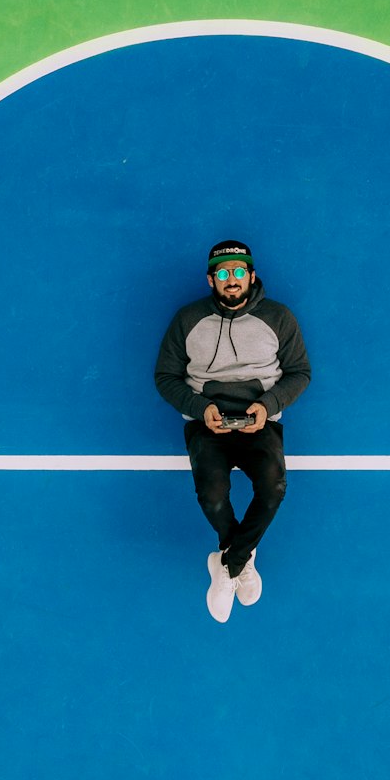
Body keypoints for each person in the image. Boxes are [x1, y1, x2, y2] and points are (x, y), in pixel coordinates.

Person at [155, 239, 311, 622]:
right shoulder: (187, 320)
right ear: (210, 280)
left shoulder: (279, 318)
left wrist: (268, 405)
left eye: (239, 272)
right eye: (223, 273)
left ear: (252, 276)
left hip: (260, 420)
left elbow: (299, 372)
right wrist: (200, 408)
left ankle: (229, 563)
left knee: (273, 488)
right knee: (211, 496)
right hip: (207, 422)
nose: (232, 280)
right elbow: (165, 377)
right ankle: (238, 556)